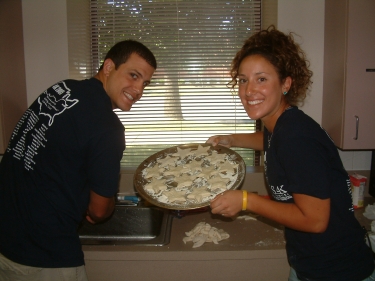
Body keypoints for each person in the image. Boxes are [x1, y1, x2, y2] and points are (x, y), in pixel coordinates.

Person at [207, 26, 375, 281]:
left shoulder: (296, 138)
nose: (249, 90)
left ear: (286, 83)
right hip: (312, 263)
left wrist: (245, 201)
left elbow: (316, 221)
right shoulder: (284, 124)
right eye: (243, 80)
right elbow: (271, 141)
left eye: (261, 79)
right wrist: (232, 139)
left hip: (337, 271)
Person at [0, 40, 156, 280]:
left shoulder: (61, 90)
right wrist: (100, 206)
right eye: (133, 76)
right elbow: (99, 210)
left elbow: (43, 158)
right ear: (108, 67)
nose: (138, 90)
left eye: (145, 83)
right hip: (44, 255)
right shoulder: (107, 128)